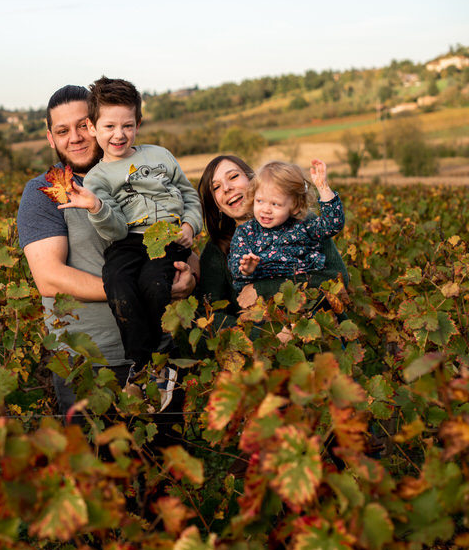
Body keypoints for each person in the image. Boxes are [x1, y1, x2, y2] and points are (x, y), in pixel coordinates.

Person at [17, 84, 196, 421]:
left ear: (98, 123)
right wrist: (136, 291)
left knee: (162, 461)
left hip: (160, 352)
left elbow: (177, 241)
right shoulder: (44, 193)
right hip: (89, 358)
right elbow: (49, 277)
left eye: (83, 125)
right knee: (96, 466)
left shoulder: (144, 173)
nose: (76, 137)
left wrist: (191, 275)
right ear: (50, 138)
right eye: (63, 130)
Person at [57, 77, 203, 385]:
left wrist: (190, 224)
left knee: (153, 283)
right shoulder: (96, 178)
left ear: (137, 123)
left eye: (127, 126)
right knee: (117, 281)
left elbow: (189, 195)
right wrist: (96, 206)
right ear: (92, 126)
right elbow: (116, 230)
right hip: (127, 241)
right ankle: (140, 362)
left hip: (166, 236)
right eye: (109, 127)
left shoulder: (160, 156)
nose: (119, 135)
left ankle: (164, 358)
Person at [196, 155, 349, 328]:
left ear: (253, 181)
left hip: (320, 330)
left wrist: (263, 289)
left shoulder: (303, 223)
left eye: (233, 177)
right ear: (215, 203)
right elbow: (209, 317)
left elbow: (337, 281)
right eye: (216, 187)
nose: (227, 188)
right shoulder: (218, 250)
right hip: (265, 344)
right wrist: (271, 336)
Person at [229, 159, 345, 292]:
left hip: (301, 295)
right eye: (260, 201)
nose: (266, 209)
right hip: (261, 302)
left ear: (295, 206)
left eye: (275, 204)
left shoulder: (303, 225)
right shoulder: (246, 232)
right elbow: (236, 263)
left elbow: (332, 225)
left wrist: (323, 188)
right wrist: (245, 269)